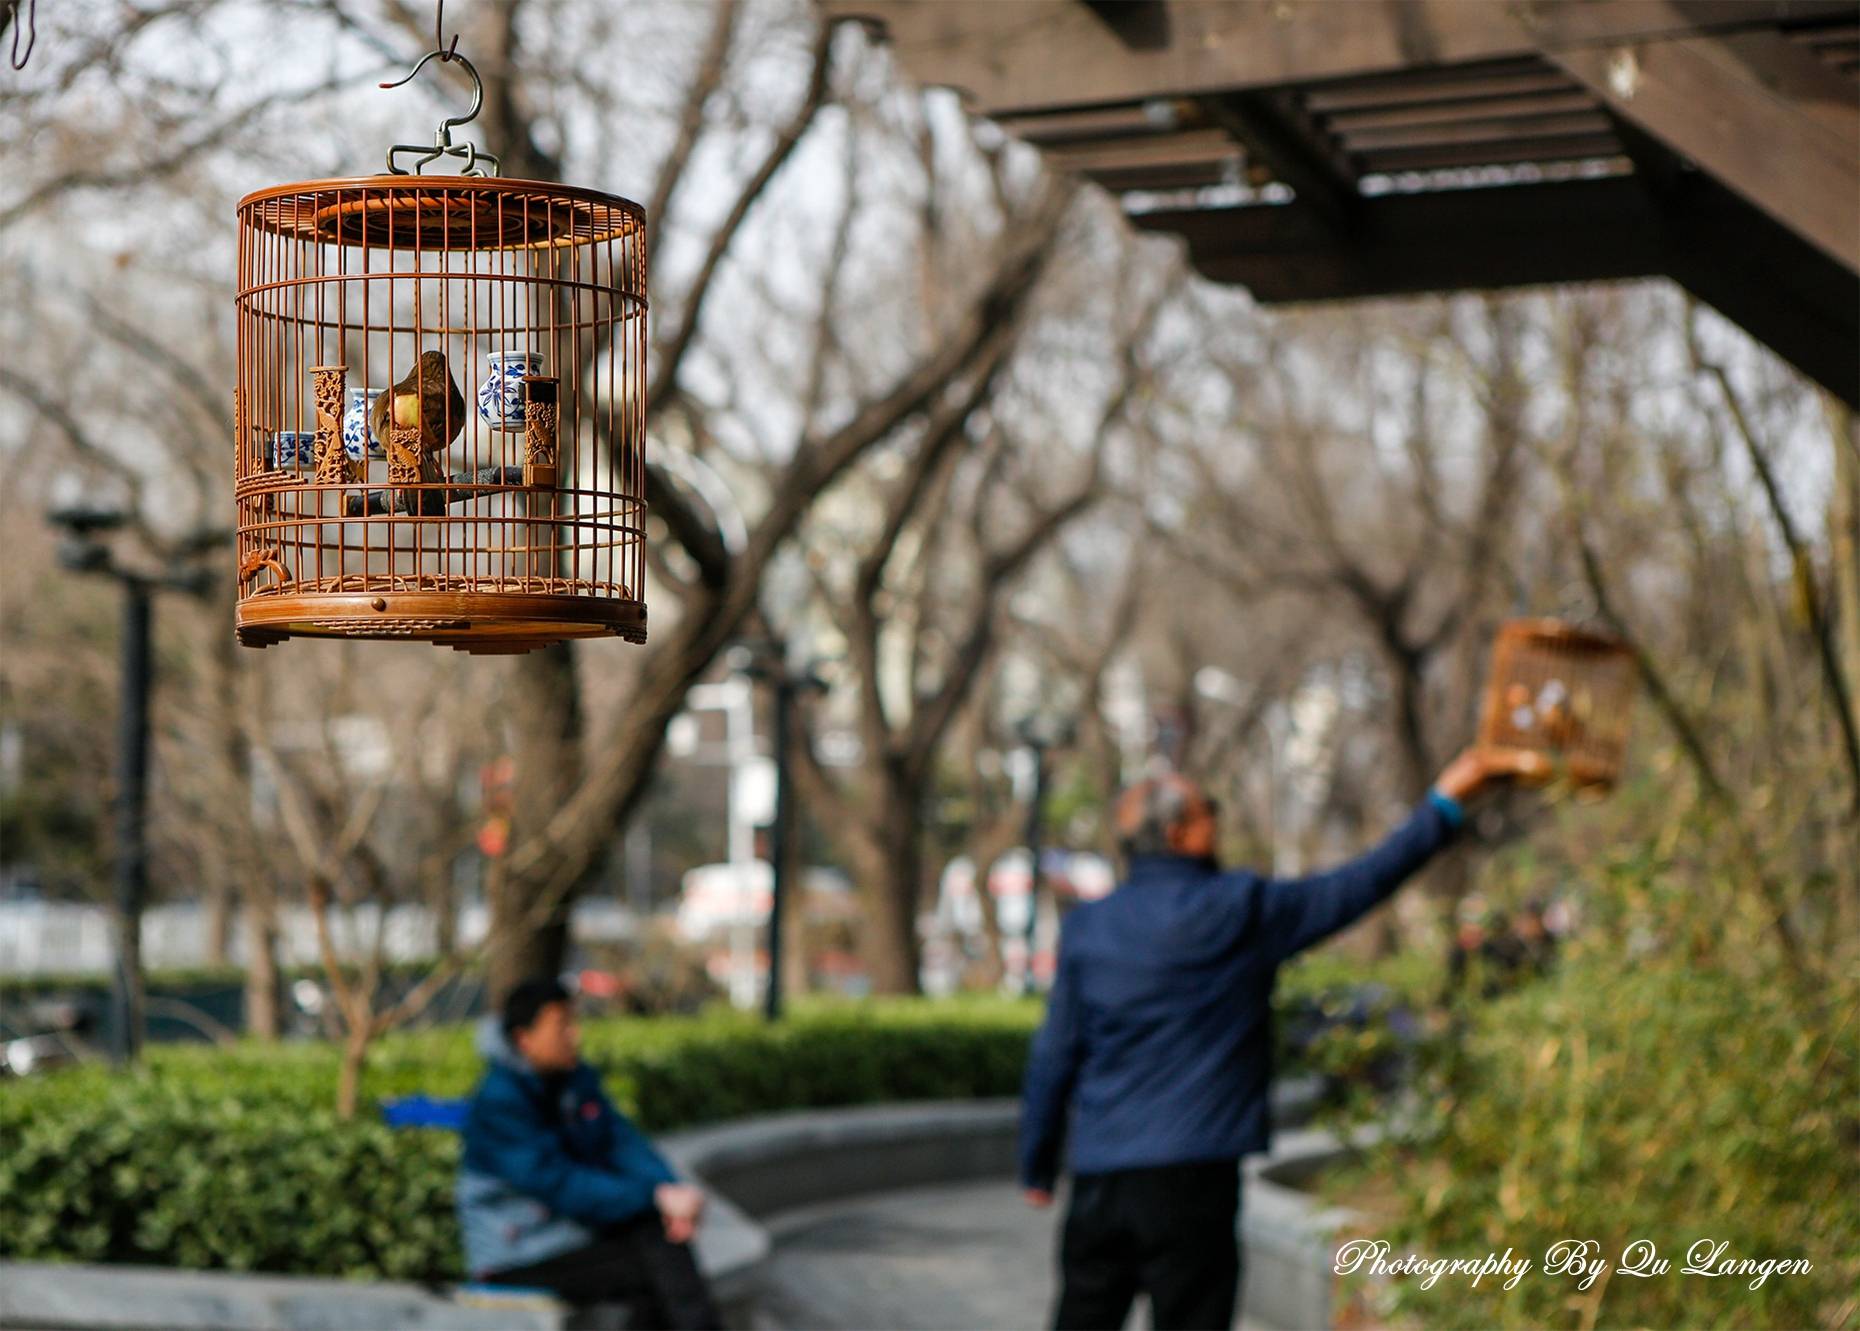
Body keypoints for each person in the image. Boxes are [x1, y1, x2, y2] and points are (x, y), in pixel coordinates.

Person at [1019, 745, 1546, 1331]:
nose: (1217, 819)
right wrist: (1445, 805)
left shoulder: (1090, 926)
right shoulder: (1241, 909)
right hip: (1194, 1173)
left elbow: (1055, 1051)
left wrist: (1037, 1164)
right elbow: (1358, 885)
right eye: (1208, 809)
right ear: (1179, 833)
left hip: (1101, 1176)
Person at [457, 977, 722, 1330]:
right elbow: (559, 1184)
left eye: (573, 1022)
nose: (575, 1035)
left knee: (652, 1270)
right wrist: (655, 1197)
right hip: (518, 1254)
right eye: (561, 1026)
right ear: (524, 1038)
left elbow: (621, 1142)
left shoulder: (572, 1081)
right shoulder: (499, 1103)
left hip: (566, 1238)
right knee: (655, 1261)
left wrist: (669, 1189)